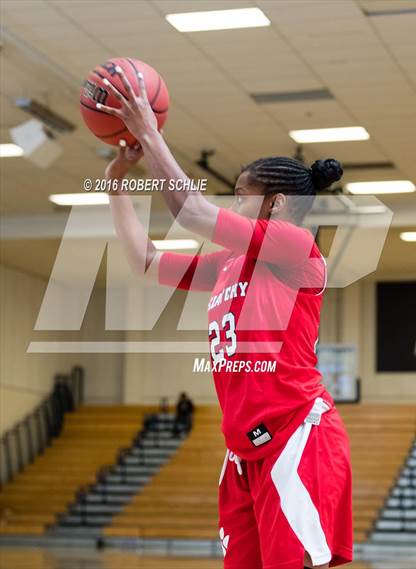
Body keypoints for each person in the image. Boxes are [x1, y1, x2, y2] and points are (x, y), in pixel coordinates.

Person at [99, 67, 353, 569]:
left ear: (278, 204)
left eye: (242, 195)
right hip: (242, 449)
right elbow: (145, 263)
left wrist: (150, 133)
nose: (233, 205)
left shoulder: (297, 248)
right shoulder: (229, 262)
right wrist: (116, 187)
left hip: (295, 437)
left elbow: (190, 212)